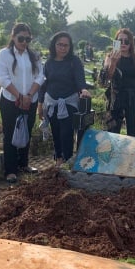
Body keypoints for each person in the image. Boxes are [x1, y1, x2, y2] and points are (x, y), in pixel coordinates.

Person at [0, 23, 45, 182]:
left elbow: (40, 76)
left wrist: (29, 95)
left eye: (27, 39)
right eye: (21, 38)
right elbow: (3, 78)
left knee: (26, 131)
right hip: (11, 100)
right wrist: (19, 96)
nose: (24, 42)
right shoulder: (5, 54)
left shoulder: (34, 55)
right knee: (10, 133)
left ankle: (23, 164)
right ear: (13, 37)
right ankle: (11, 170)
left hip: (30, 99)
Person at [37, 32, 91, 167]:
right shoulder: (49, 63)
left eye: (66, 45)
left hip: (69, 102)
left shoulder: (74, 61)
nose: (63, 48)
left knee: (66, 132)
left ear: (70, 47)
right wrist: (40, 103)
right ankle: (58, 158)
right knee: (56, 131)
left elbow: (80, 79)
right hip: (52, 103)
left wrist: (83, 89)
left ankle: (67, 159)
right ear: (54, 45)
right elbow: (43, 84)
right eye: (60, 44)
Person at [103, 28, 135, 136]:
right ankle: (112, 152)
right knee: (113, 130)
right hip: (116, 96)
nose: (123, 43)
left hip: (133, 96)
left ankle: (131, 152)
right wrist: (113, 62)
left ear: (131, 43)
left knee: (133, 130)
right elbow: (107, 77)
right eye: (120, 41)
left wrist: (130, 88)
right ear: (115, 42)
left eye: (127, 41)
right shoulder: (110, 57)